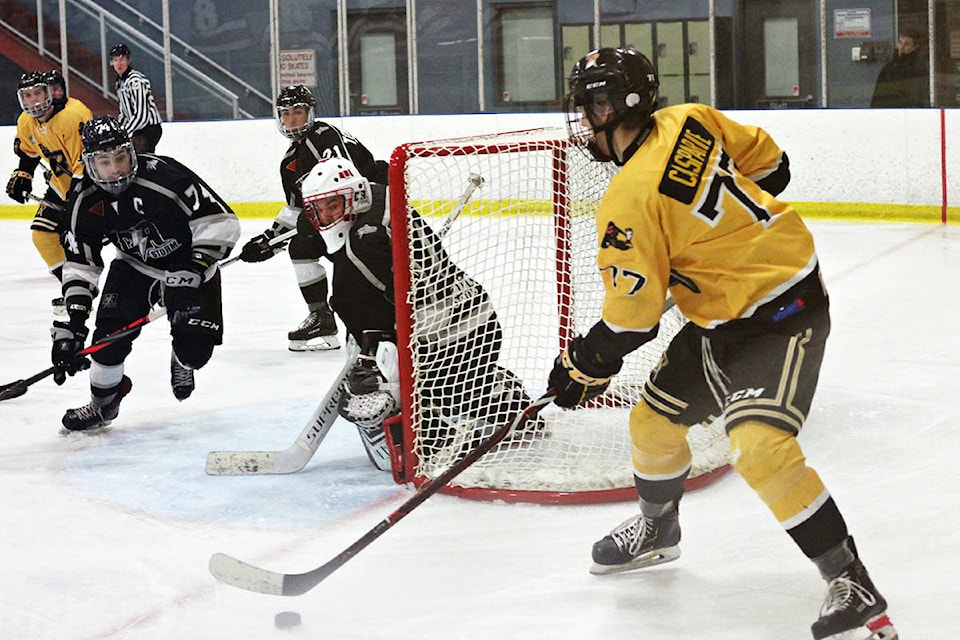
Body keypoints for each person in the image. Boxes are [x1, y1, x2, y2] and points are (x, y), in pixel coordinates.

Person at [550, 47, 898, 640]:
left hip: (782, 311)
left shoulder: (628, 200)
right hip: (721, 317)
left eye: (593, 106)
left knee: (759, 448)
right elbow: (773, 166)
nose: (586, 120)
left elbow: (633, 322)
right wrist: (720, 245)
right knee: (652, 427)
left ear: (621, 106)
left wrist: (585, 362)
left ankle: (850, 576)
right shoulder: (692, 117)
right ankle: (660, 529)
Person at [298, 157, 533, 470]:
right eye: (319, 210)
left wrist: (373, 360)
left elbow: (376, 305)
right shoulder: (381, 195)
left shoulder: (362, 246)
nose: (326, 216)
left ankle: (502, 396)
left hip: (454, 335)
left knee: (427, 432)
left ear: (354, 195)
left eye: (332, 205)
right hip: (473, 318)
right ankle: (489, 387)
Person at [52, 115, 240, 431]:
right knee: (106, 342)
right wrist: (73, 322)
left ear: (131, 152)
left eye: (121, 157)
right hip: (134, 266)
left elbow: (220, 221)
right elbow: (81, 263)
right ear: (90, 163)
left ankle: (182, 357)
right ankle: (103, 405)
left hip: (188, 266)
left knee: (195, 353)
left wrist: (195, 266)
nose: (115, 169)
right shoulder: (83, 200)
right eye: (104, 161)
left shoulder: (166, 175)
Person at [237, 84, 388, 352]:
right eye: (286, 113)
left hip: (371, 211)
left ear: (311, 113)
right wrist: (268, 241)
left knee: (353, 270)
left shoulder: (323, 136)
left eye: (298, 111)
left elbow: (347, 183)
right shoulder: (289, 162)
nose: (292, 118)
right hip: (340, 217)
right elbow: (296, 211)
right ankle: (322, 317)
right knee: (300, 247)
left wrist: (310, 218)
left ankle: (379, 316)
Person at [6, 70, 93, 314]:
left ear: (49, 92)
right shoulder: (26, 121)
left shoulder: (73, 116)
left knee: (90, 238)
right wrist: (24, 174)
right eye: (28, 95)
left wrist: (75, 200)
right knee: (42, 235)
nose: (33, 101)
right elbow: (28, 151)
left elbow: (84, 165)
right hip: (61, 184)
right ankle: (74, 290)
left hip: (93, 187)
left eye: (38, 93)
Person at [109, 43, 164, 153]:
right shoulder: (120, 82)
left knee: (138, 158)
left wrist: (125, 132)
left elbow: (141, 115)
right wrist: (118, 130)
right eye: (115, 60)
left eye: (122, 60)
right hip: (137, 128)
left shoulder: (135, 81)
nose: (119, 64)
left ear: (128, 61)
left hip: (148, 128)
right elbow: (124, 112)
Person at [870, 31, 928, 107]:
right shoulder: (889, 67)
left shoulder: (919, 68)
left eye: (907, 44)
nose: (901, 47)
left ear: (915, 47)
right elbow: (878, 96)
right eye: (900, 42)